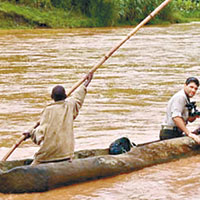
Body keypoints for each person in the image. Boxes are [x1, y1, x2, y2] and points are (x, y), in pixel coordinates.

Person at [23, 72, 93, 166]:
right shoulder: (70, 105)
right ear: (65, 96)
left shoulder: (48, 110)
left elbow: (41, 133)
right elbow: (78, 97)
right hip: (66, 154)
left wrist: (31, 133)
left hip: (48, 154)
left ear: (52, 97)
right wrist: (86, 82)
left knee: (33, 165)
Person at [160, 77, 200, 144]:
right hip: (170, 133)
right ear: (185, 85)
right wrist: (189, 133)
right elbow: (176, 118)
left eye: (195, 89)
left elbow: (189, 119)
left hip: (175, 132)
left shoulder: (186, 98)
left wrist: (195, 116)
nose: (193, 90)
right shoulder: (180, 97)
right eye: (191, 87)